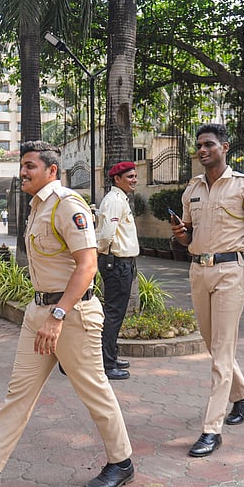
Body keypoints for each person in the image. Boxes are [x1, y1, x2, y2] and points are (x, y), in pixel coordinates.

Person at [0, 140, 134, 487]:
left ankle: (121, 462)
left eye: (30, 166)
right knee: (20, 393)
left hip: (72, 314)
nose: (23, 172)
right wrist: (46, 314)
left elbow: (87, 266)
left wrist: (58, 315)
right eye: (23, 166)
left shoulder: (66, 205)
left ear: (51, 170)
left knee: (94, 390)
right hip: (39, 313)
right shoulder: (37, 207)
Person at [170, 123, 244, 458]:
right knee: (212, 344)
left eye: (209, 145)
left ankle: (210, 430)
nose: (202, 150)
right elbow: (188, 236)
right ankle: (243, 395)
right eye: (199, 146)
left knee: (221, 351)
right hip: (198, 270)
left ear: (225, 147)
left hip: (231, 271)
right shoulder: (192, 189)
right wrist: (180, 235)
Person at [95, 161, 139, 380]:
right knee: (113, 314)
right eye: (130, 176)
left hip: (122, 263)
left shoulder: (119, 199)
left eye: (134, 176)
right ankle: (106, 363)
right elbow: (105, 235)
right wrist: (101, 253)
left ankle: (111, 355)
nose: (134, 180)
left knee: (115, 313)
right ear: (117, 179)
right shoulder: (114, 201)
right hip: (116, 263)